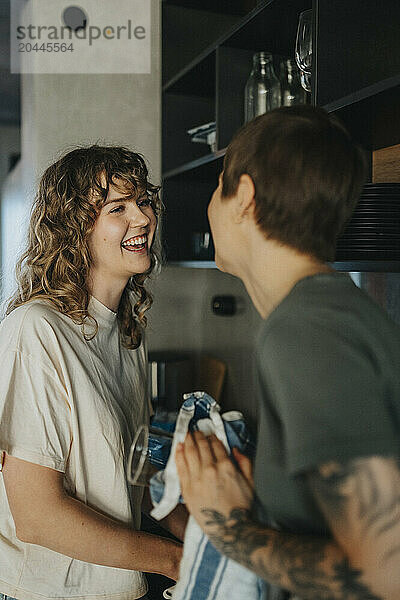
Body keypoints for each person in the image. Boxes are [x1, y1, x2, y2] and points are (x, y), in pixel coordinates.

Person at [175, 105, 400, 600]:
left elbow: (385, 573)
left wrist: (231, 528)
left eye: (219, 187)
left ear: (245, 198)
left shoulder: (308, 331)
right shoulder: (326, 314)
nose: (210, 205)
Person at [0, 145, 183, 600]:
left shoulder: (127, 336)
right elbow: (38, 516)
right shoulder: (36, 330)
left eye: (142, 201)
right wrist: (176, 559)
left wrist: (216, 539)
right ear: (74, 230)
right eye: (117, 208)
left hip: (121, 588)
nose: (141, 219)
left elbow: (132, 484)